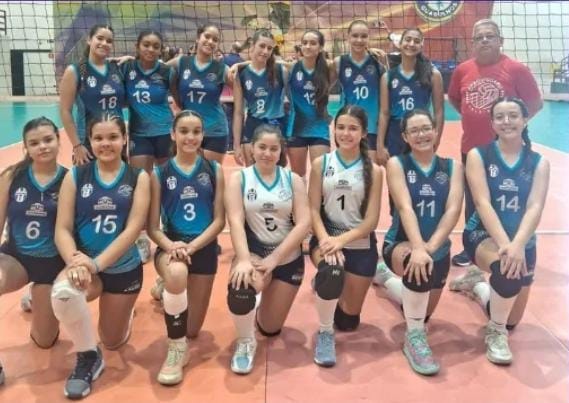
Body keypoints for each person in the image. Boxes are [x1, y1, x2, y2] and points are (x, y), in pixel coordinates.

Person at [51, 114, 150, 399]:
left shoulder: (138, 177)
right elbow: (62, 228)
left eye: (113, 137)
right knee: (64, 293)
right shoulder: (76, 175)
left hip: (122, 268)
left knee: (113, 341)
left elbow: (132, 230)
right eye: (98, 138)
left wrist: (95, 264)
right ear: (90, 141)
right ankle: (88, 356)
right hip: (84, 264)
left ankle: (125, 313)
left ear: (124, 140)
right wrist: (75, 261)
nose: (106, 143)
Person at [449, 97, 549, 365]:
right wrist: (507, 246)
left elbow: (535, 207)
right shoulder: (479, 156)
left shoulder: (538, 162)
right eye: (500, 117)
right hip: (483, 235)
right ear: (492, 123)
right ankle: (495, 332)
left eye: (513, 115)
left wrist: (518, 245)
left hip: (522, 242)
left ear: (525, 119)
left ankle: (477, 285)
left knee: (512, 318)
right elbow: (482, 203)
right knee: (507, 272)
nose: (507, 122)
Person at [374, 110, 463, 375]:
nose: (421, 135)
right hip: (401, 243)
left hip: (438, 249)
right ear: (405, 136)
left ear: (435, 131)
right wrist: (418, 249)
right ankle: (414, 339)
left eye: (426, 128)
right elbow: (405, 207)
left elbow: (453, 210)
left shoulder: (452, 167)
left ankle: (385, 279)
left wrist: (430, 248)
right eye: (414, 130)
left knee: (418, 307)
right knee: (419, 273)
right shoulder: (397, 164)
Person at [448, 18, 543, 267]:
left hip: (508, 152)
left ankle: (513, 244)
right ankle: (473, 250)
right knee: (475, 202)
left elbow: (534, 103)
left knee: (509, 198)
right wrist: (475, 116)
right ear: (472, 43)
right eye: (479, 37)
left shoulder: (517, 69)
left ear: (501, 40)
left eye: (490, 36)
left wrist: (512, 127)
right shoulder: (462, 70)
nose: (484, 41)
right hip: (472, 150)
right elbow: (456, 99)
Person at [147, 110, 225, 385]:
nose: (190, 137)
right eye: (183, 131)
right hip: (171, 246)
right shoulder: (160, 173)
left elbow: (219, 221)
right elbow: (152, 228)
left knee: (193, 329)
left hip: (202, 246)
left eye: (196, 132)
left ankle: (165, 287)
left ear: (203, 135)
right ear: (173, 134)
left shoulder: (214, 170)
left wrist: (192, 247)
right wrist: (172, 246)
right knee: (177, 272)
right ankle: (176, 349)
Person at [225, 124, 310, 374]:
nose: (267, 153)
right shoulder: (240, 179)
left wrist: (275, 258)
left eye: (273, 149)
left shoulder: (292, 179)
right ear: (252, 148)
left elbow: (304, 223)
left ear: (281, 151)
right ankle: (245, 341)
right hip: (254, 253)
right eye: (262, 147)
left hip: (286, 258)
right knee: (241, 287)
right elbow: (235, 221)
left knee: (270, 329)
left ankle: (264, 300)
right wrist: (243, 259)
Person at [308, 105, 383, 367]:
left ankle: (382, 280)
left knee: (349, 322)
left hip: (359, 244)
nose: (345, 133)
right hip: (326, 240)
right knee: (332, 272)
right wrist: (327, 242)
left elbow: (371, 222)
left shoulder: (374, 170)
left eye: (353, 128)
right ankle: (325, 332)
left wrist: (341, 241)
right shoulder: (321, 164)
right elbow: (313, 210)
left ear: (363, 133)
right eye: (340, 127)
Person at [0, 118, 67, 383]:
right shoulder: (11, 176)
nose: (42, 146)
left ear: (58, 140)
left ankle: (35, 295)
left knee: (45, 341)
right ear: (26, 147)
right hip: (16, 258)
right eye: (34, 143)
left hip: (52, 265)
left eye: (48, 140)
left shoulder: (69, 180)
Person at [121, 30, 177, 263]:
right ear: (137, 46)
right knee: (139, 186)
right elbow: (89, 66)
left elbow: (179, 100)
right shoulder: (126, 68)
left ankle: (170, 233)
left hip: (165, 133)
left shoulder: (166, 72)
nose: (151, 49)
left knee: (168, 185)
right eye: (146, 44)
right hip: (139, 134)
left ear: (161, 50)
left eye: (156, 46)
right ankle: (142, 237)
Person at [59, 24, 126, 166]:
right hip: (88, 142)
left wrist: (131, 58)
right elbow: (65, 111)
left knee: (118, 179)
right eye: (100, 38)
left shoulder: (117, 68)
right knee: (87, 180)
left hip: (115, 138)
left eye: (109, 41)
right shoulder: (75, 71)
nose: (104, 43)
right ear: (89, 40)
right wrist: (77, 145)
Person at [377, 27, 444, 165]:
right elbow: (384, 113)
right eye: (408, 40)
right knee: (395, 175)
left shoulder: (433, 74)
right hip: (395, 133)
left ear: (421, 46)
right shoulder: (388, 77)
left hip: (421, 132)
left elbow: (439, 111)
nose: (412, 44)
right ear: (400, 43)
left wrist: (436, 139)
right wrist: (380, 145)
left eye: (416, 41)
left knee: (421, 174)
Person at [168, 24, 231, 164]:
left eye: (215, 39)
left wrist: (241, 64)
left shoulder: (222, 69)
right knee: (187, 172)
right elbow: (155, 68)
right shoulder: (181, 63)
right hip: (188, 130)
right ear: (198, 38)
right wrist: (131, 61)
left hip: (215, 130)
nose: (210, 41)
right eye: (207, 36)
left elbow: (244, 82)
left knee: (208, 174)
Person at [233, 29, 288, 167]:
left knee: (276, 172)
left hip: (276, 125)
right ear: (252, 45)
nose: (265, 51)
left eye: (269, 48)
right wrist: (236, 145)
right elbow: (238, 112)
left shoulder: (280, 71)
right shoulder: (241, 74)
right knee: (251, 173)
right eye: (262, 46)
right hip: (252, 125)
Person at [334, 20, 386, 162]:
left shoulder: (377, 61)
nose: (359, 40)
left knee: (370, 170)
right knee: (348, 170)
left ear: (369, 38)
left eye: (364, 36)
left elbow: (387, 91)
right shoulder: (339, 62)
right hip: (348, 125)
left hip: (371, 126)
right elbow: (322, 87)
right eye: (355, 36)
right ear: (348, 37)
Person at [286, 30, 334, 179]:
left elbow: (349, 59)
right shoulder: (291, 67)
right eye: (304, 43)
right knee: (298, 176)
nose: (307, 46)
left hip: (319, 129)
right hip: (296, 128)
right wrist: (240, 64)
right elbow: (263, 61)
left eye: (313, 43)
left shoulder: (329, 68)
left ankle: (317, 197)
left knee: (320, 174)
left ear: (320, 47)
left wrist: (369, 50)